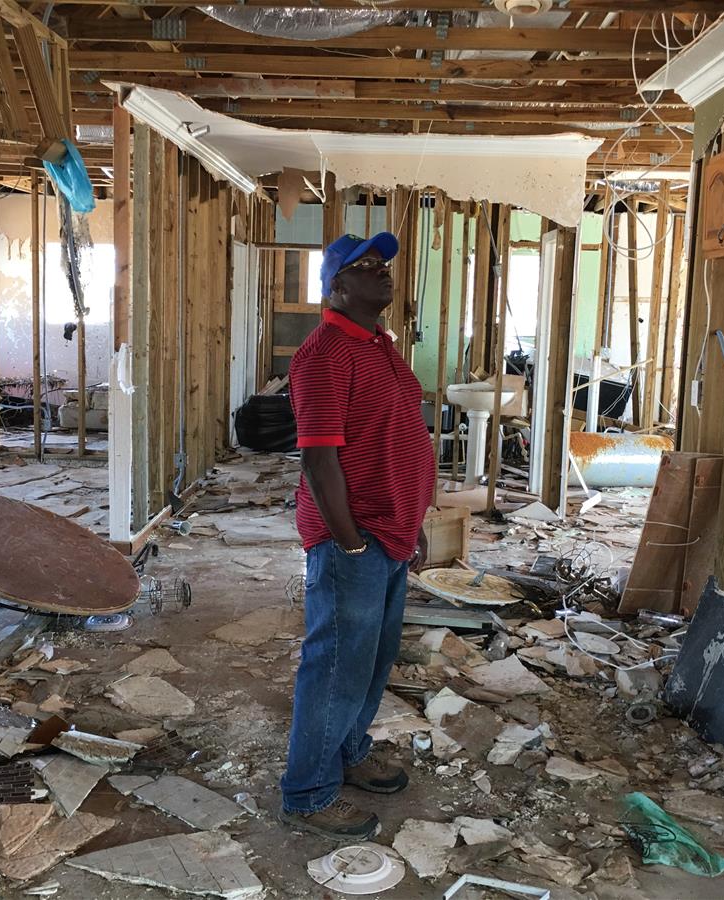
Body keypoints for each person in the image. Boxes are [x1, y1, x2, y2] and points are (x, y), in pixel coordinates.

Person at [279, 232, 436, 841]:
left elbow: (395, 439)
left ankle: (347, 752)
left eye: (385, 265)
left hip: (390, 532)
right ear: (338, 287)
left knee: (370, 662)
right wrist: (348, 544)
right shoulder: (324, 354)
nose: (383, 274)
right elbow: (320, 462)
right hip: (355, 537)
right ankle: (308, 793)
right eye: (366, 267)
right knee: (337, 664)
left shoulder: (380, 346)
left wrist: (412, 519)